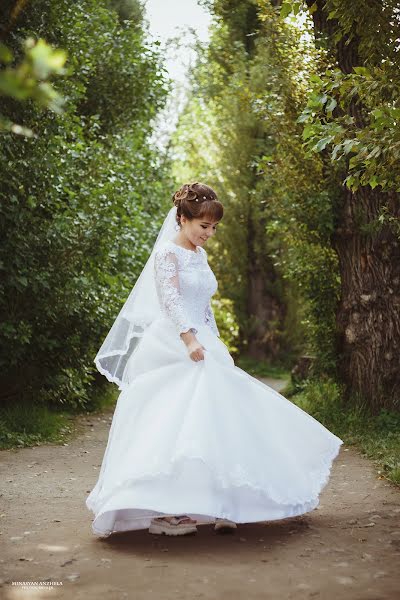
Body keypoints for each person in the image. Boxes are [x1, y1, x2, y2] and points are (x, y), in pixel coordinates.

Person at [86, 181, 343, 538]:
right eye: (203, 226)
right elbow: (172, 301)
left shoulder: (199, 256)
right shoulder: (167, 255)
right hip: (174, 342)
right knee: (173, 423)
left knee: (217, 420)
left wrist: (215, 343)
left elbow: (204, 306)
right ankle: (165, 511)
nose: (209, 233)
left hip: (203, 340)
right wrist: (189, 339)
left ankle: (222, 502)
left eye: (213, 227)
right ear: (182, 219)